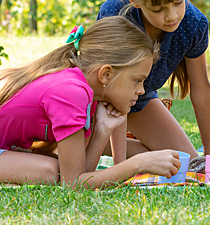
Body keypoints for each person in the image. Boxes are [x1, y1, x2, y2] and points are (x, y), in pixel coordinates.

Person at [0, 16, 182, 189]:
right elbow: (72, 183)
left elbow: (83, 172)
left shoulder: (90, 94)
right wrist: (138, 163)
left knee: (57, 168)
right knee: (51, 171)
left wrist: (102, 131)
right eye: (137, 80)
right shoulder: (71, 92)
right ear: (106, 74)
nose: (142, 90)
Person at [97, 0, 210, 163]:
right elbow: (111, 90)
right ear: (135, 0)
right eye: (158, 9)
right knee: (81, 150)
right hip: (100, 102)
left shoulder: (193, 23)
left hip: (140, 100)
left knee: (188, 162)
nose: (172, 16)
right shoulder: (116, 13)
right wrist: (120, 164)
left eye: (178, 2)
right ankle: (85, 141)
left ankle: (97, 145)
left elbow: (202, 90)